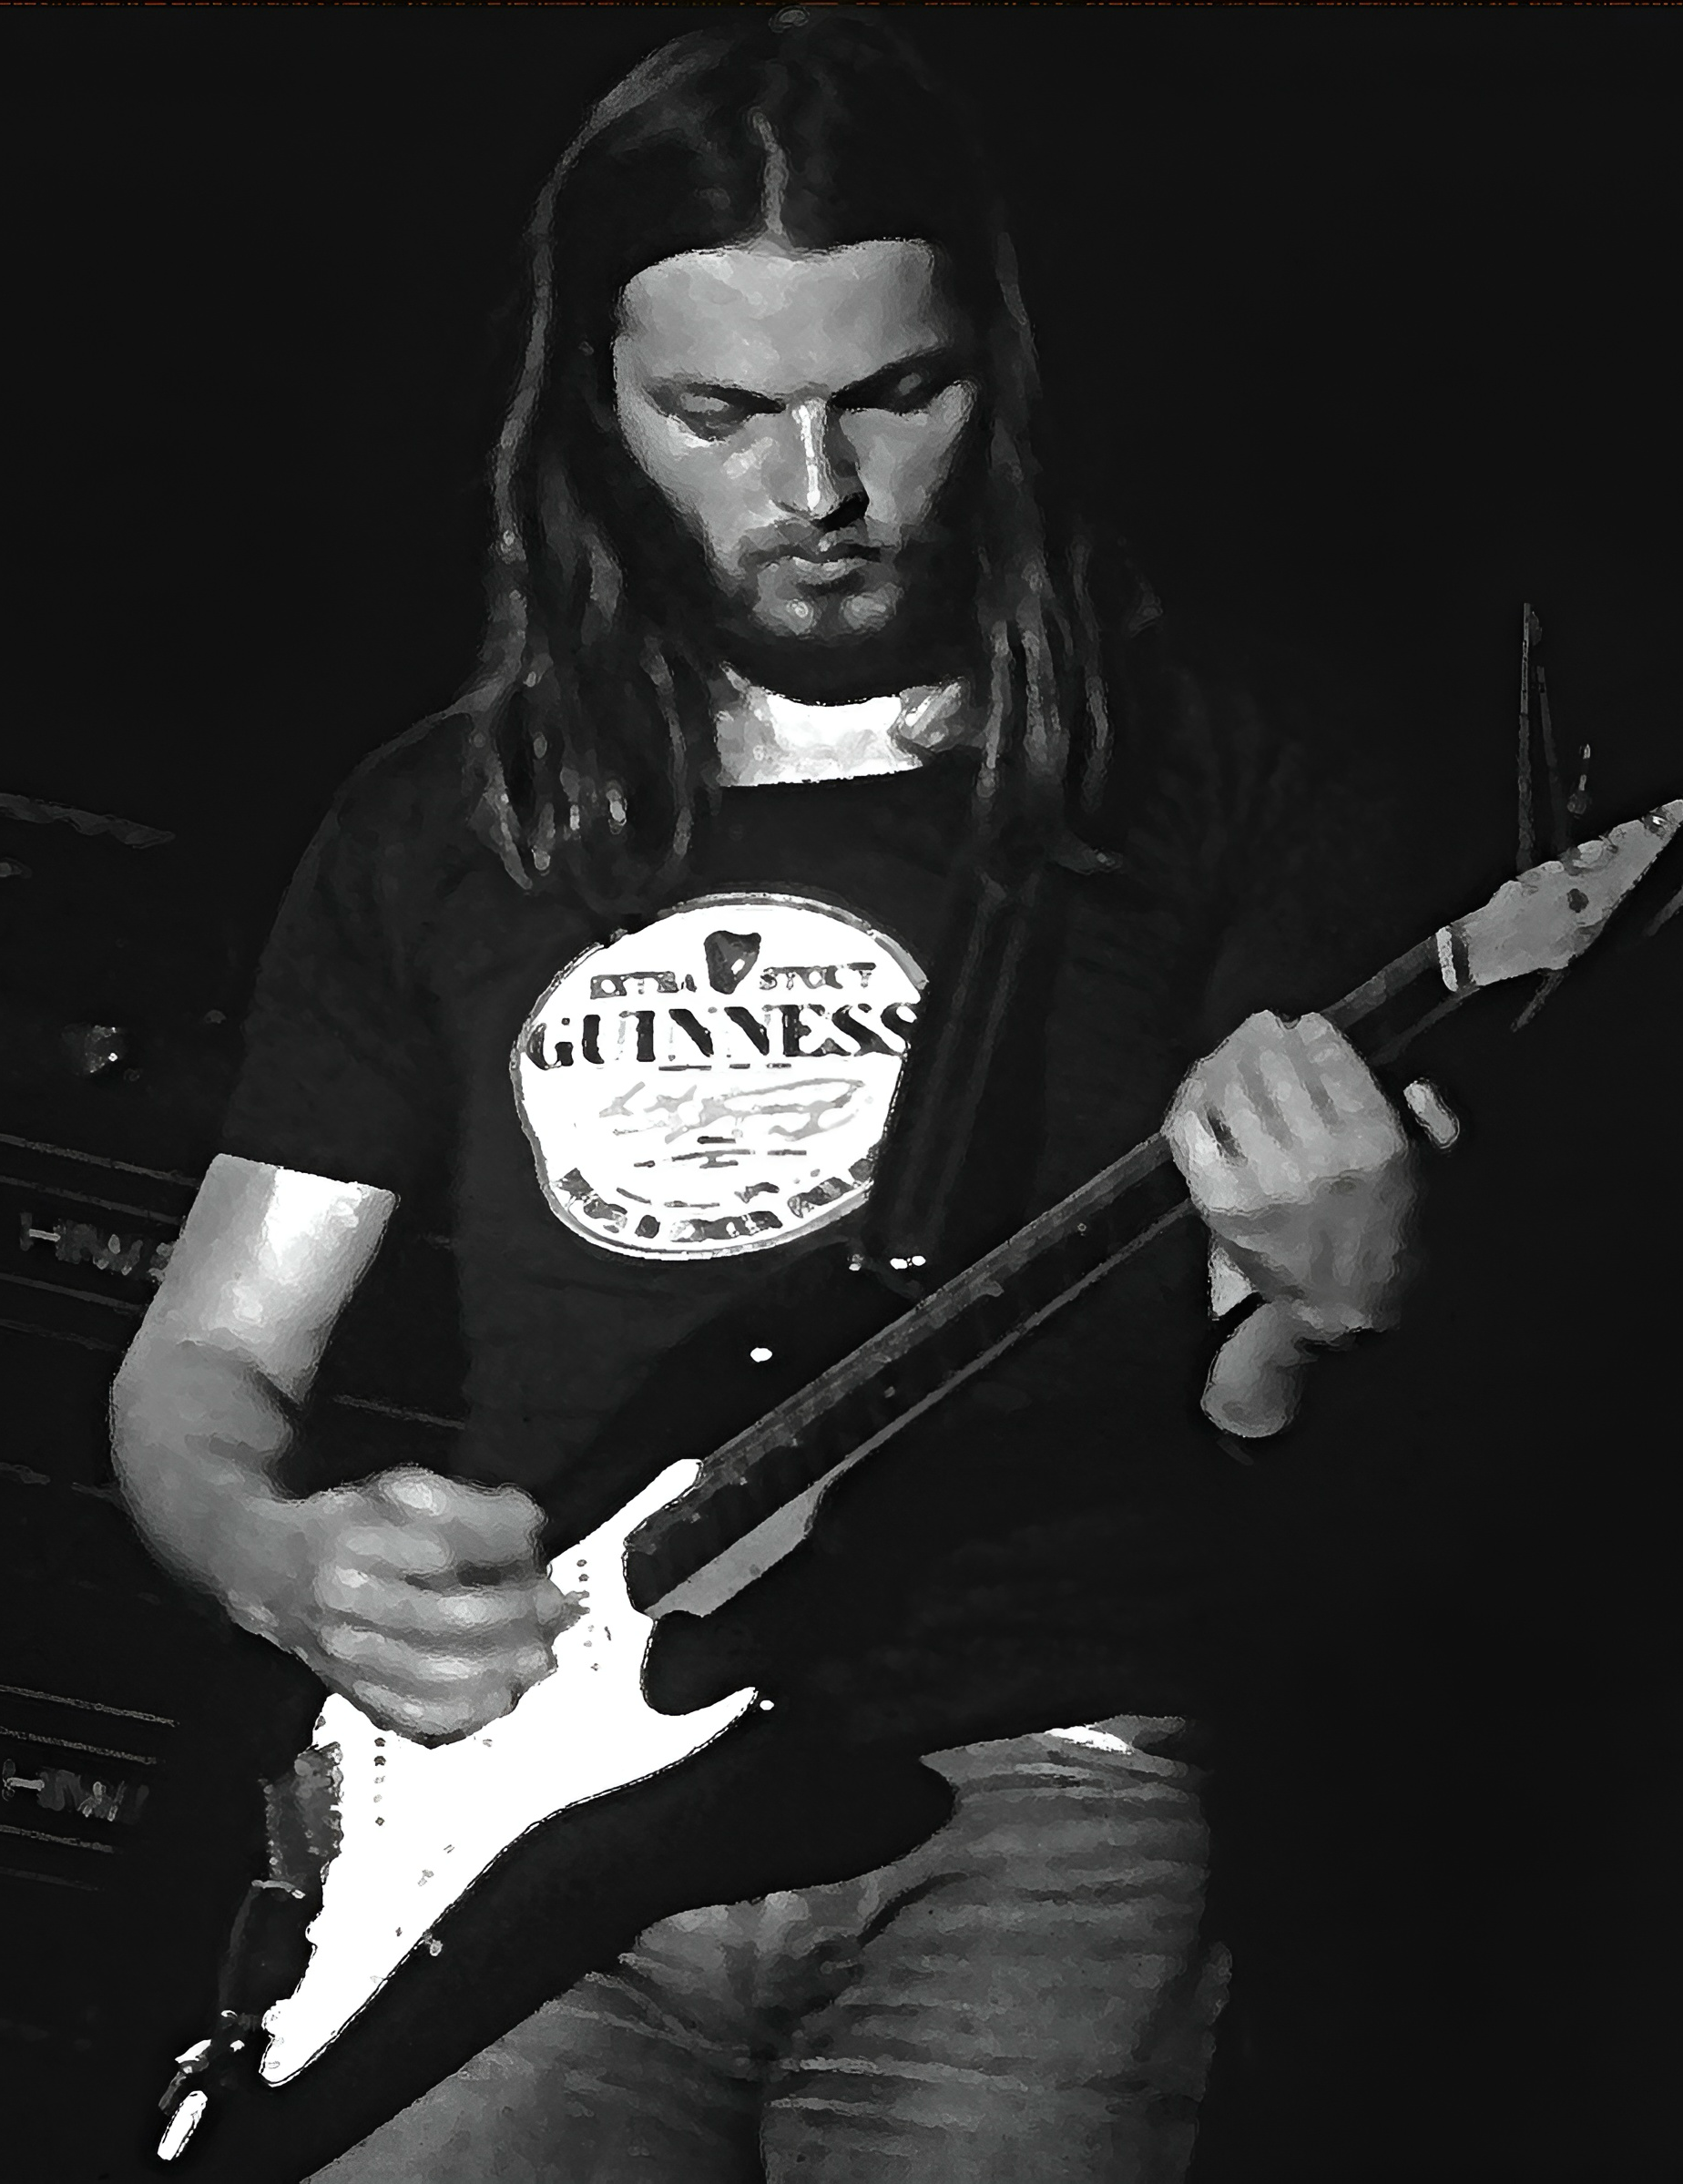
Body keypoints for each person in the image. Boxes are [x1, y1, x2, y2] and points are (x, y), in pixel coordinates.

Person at [109, 13, 1433, 2179]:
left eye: (894, 396)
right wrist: (281, 1557)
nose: (816, 493)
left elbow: (1255, 1409)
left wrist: (1325, 1308)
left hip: (1032, 1785)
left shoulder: (1202, 782)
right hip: (528, 1799)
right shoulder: (446, 821)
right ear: (597, 408)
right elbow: (206, 1362)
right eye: (718, 416)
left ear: (997, 368)